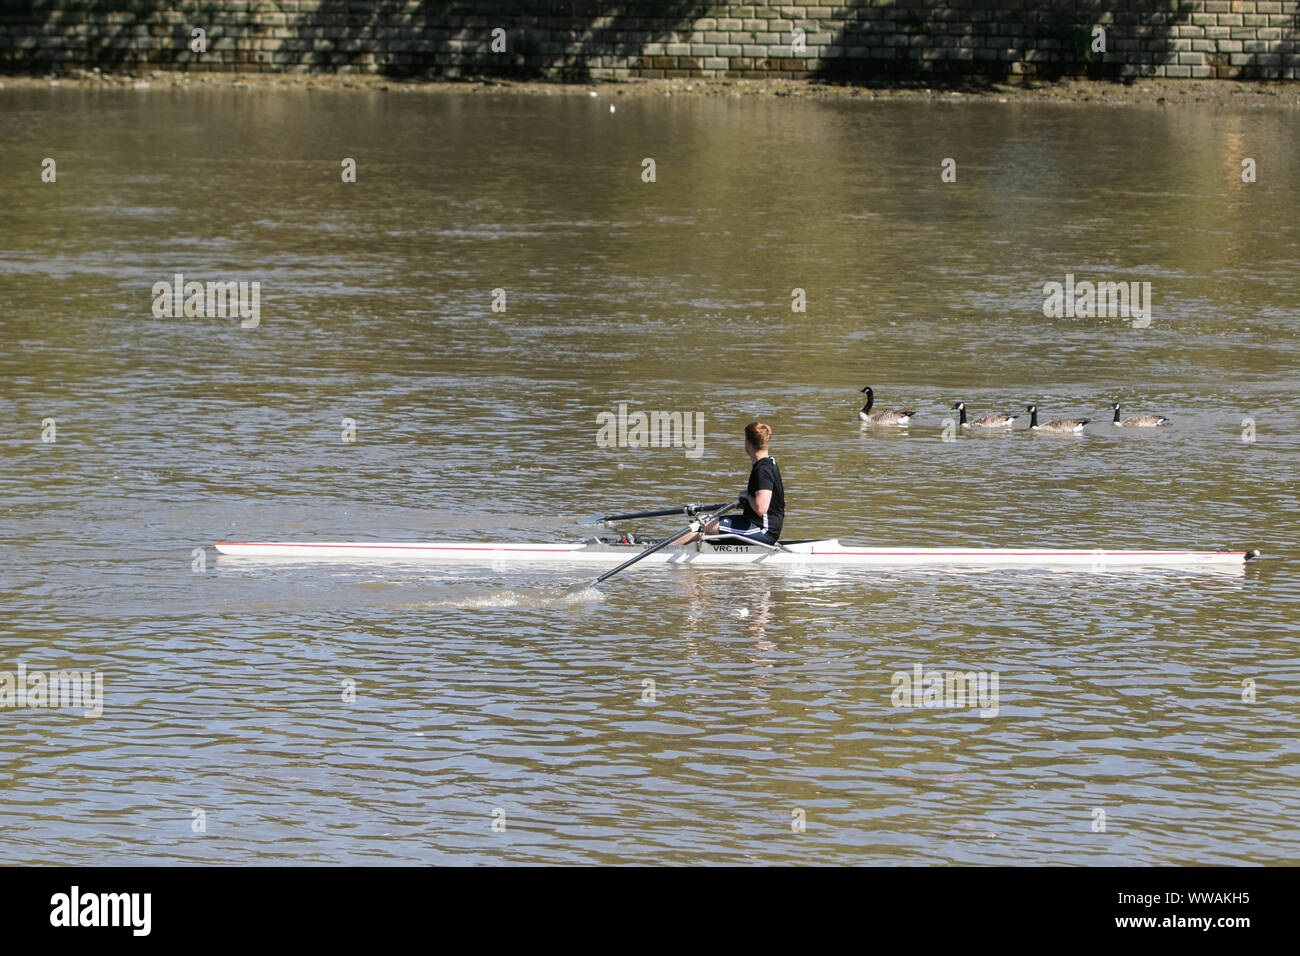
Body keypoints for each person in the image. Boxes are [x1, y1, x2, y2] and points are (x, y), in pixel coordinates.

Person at [680, 421, 785, 545]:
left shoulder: (763, 470)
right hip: (756, 524)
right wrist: (746, 502)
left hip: (762, 531)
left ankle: (660, 551)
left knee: (700, 525)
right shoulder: (770, 462)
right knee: (701, 519)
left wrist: (747, 496)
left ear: (748, 444)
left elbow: (761, 508)